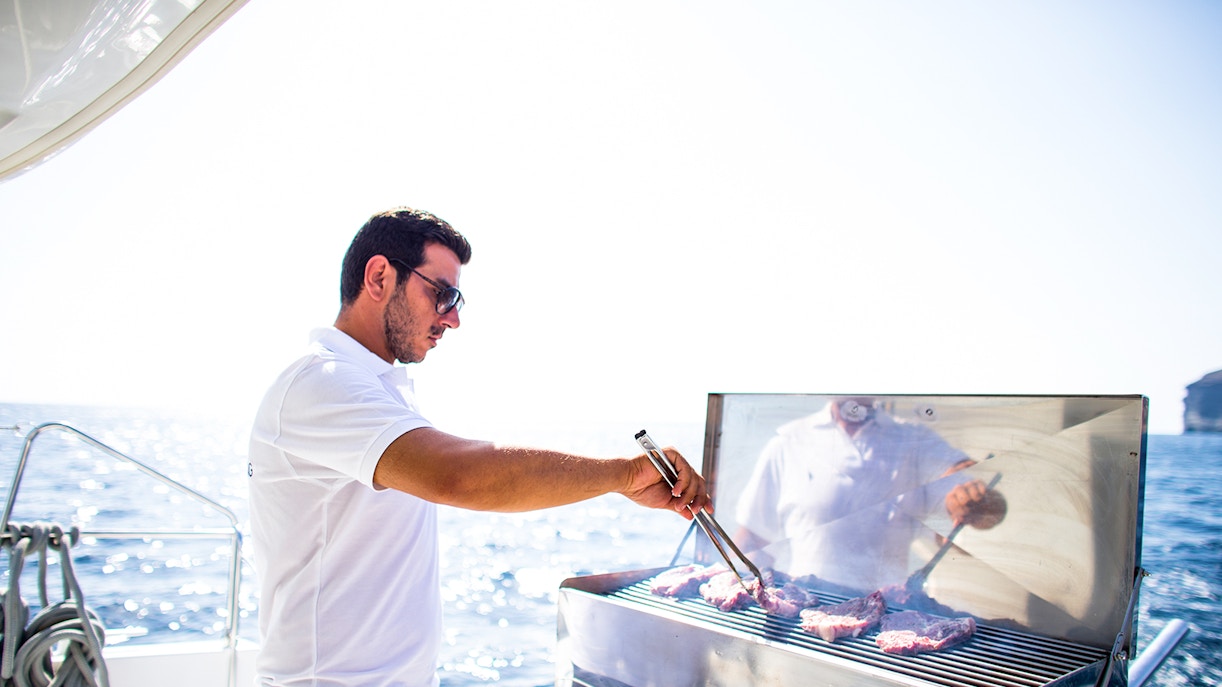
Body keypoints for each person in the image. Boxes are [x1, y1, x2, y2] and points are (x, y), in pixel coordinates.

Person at [247, 207, 710, 687]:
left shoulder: (375, 386)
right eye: (443, 294)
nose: (452, 319)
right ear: (379, 276)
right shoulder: (321, 383)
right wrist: (625, 476)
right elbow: (459, 476)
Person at [734, 397, 1004, 593]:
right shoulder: (789, 441)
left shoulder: (913, 440)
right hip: (803, 612)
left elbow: (969, 502)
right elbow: (752, 539)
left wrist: (976, 501)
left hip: (885, 618)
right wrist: (748, 594)